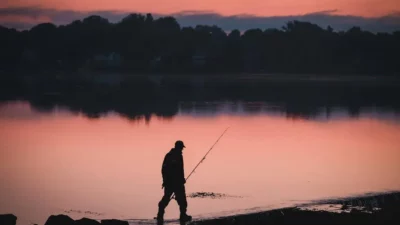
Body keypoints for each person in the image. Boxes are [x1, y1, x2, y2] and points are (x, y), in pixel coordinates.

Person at [157, 140, 192, 224]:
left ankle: (161, 215)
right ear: (178, 147)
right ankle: (181, 216)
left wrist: (181, 178)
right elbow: (166, 169)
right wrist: (167, 180)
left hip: (173, 182)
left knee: (170, 199)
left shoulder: (170, 155)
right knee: (180, 200)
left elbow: (166, 170)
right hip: (175, 183)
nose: (182, 150)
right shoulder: (174, 156)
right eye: (181, 148)